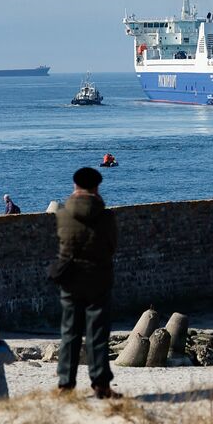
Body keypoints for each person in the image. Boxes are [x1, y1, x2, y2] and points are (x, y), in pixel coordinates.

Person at [51, 167, 120, 399]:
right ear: (96, 188)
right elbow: (111, 247)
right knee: (97, 334)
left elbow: (62, 245)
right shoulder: (106, 216)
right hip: (99, 278)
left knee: (69, 332)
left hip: (70, 279)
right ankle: (100, 384)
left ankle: (65, 385)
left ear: (75, 186)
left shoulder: (63, 215)